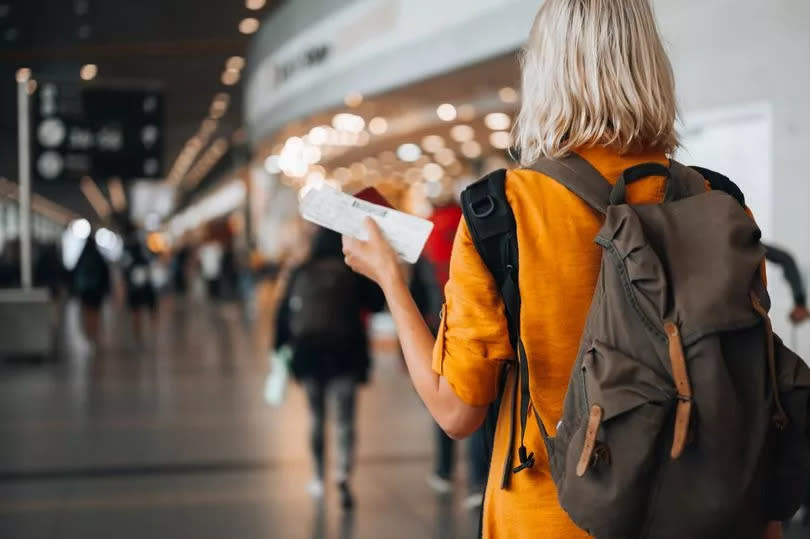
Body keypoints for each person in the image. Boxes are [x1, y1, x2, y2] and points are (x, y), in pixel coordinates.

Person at [341, 1, 783, 537]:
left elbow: (456, 412)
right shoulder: (718, 203)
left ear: (545, 73)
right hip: (710, 515)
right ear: (651, 66)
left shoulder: (500, 210)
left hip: (552, 518)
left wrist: (391, 279)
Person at [274, 227, 384, 511]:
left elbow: (284, 313)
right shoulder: (351, 272)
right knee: (345, 420)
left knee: (316, 416)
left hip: (309, 355)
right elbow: (377, 302)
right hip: (345, 355)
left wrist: (279, 347)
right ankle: (342, 475)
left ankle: (317, 478)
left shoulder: (301, 270)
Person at [410, 202, 488, 508]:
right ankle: (476, 481)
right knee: (475, 402)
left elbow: (416, 288)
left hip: (435, 328)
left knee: (442, 400)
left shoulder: (427, 232)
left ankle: (443, 471)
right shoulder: (474, 222)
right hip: (473, 325)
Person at [121, 225, 158, 344]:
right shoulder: (146, 248)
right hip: (145, 283)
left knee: (136, 310)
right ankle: (147, 333)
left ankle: (139, 334)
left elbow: (125, 267)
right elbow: (152, 262)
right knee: (148, 308)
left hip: (134, 285)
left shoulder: (128, 248)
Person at [72, 235, 110, 348]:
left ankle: (88, 333)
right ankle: (94, 332)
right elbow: (105, 274)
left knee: (87, 311)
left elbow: (75, 273)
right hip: (97, 291)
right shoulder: (98, 256)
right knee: (95, 313)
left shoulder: (82, 256)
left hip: (85, 291)